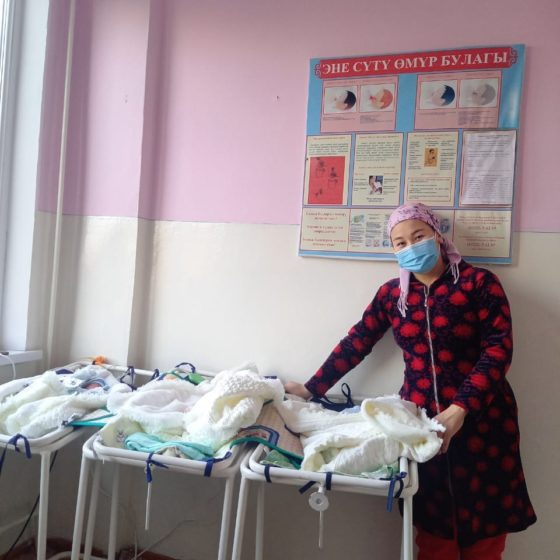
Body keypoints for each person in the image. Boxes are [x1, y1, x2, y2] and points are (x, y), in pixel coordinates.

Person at [285, 202, 536, 559]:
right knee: (434, 534)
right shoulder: (393, 296)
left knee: (486, 536)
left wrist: (460, 409)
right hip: (421, 426)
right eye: (400, 242)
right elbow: (358, 341)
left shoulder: (478, 284)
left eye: (418, 236)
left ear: (437, 235)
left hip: (484, 422)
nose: (411, 247)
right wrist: (312, 388)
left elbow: (498, 349)